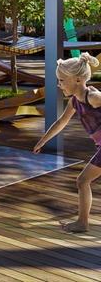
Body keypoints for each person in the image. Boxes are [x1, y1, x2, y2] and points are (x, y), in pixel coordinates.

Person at [34, 53, 101, 233]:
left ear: (78, 79)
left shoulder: (93, 97)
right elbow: (61, 122)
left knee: (82, 181)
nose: (59, 84)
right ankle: (82, 222)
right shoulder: (74, 101)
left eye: (62, 80)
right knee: (82, 181)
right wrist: (42, 141)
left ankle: (82, 223)